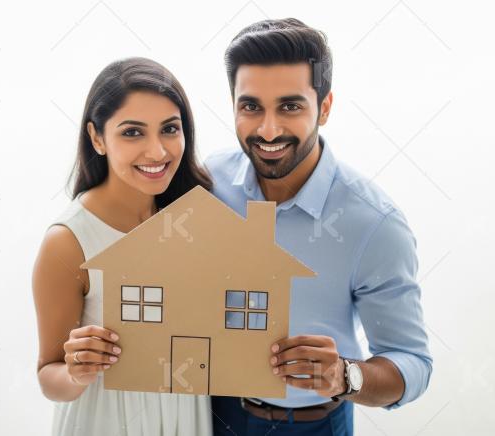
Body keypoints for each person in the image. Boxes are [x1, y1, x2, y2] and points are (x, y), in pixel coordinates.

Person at [206, 18, 433, 435]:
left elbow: (412, 363)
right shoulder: (207, 184)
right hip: (212, 414)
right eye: (251, 106)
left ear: (324, 107)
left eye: (290, 106)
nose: (268, 129)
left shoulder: (374, 223)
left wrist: (347, 376)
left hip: (313, 425)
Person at [32, 57, 213, 435]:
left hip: (185, 416)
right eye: (133, 133)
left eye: (169, 129)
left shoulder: (193, 220)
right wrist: (77, 371)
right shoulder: (68, 242)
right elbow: (49, 376)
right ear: (97, 138)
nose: (158, 152)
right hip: (105, 420)